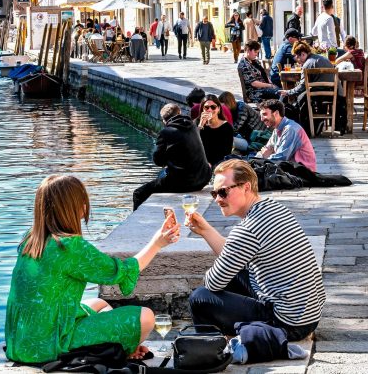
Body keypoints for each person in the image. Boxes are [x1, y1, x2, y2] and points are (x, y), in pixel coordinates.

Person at [5, 175, 181, 364]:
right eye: (83, 201)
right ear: (73, 207)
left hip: (20, 343)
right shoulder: (70, 247)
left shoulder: (30, 240)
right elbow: (122, 271)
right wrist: (157, 243)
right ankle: (117, 348)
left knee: (100, 303)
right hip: (49, 344)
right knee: (146, 317)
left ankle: (117, 345)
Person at [187, 159, 325, 343]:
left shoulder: (248, 229)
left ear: (246, 187)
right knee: (236, 273)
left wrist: (211, 273)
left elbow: (213, 283)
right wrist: (205, 230)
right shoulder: (274, 208)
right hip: (308, 315)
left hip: (287, 323)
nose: (218, 199)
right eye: (214, 193)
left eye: (223, 192)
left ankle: (208, 347)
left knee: (199, 298)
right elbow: (235, 254)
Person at [133, 103, 211, 210]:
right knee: (163, 175)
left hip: (184, 183)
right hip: (204, 178)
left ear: (164, 120)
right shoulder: (192, 126)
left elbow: (158, 161)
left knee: (138, 193)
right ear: (179, 113)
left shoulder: (166, 132)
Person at [257, 100, 317, 172]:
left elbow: (281, 158)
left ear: (276, 113)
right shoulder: (277, 129)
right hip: (290, 169)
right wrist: (255, 160)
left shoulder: (290, 129)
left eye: (265, 114)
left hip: (303, 173)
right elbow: (266, 150)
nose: (262, 119)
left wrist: (265, 158)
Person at [196, 95, 234, 167]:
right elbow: (194, 146)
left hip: (218, 164)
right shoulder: (197, 123)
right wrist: (201, 126)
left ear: (219, 109)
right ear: (202, 109)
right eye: (206, 107)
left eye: (213, 107)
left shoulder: (226, 127)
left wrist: (212, 165)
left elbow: (226, 152)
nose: (210, 110)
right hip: (200, 161)